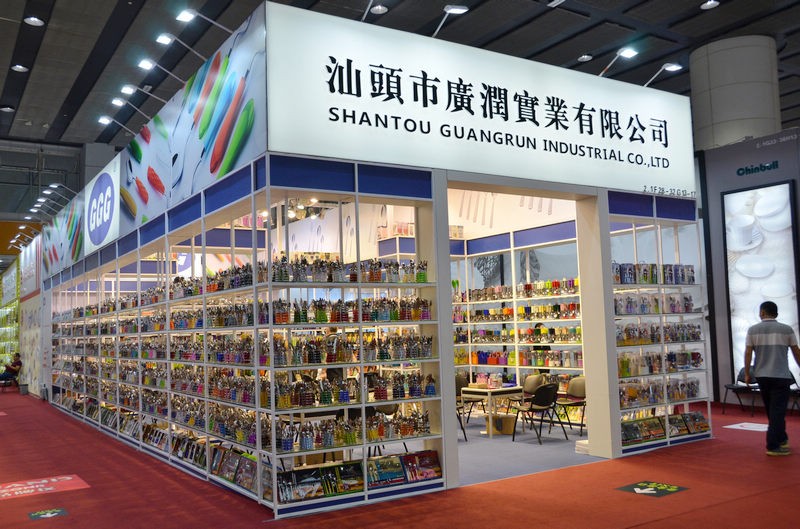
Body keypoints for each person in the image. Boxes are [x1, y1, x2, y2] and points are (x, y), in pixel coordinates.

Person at [744, 301, 800, 456]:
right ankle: (773, 445)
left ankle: (782, 438)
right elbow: (796, 351)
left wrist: (747, 373)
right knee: (777, 411)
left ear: (762, 312)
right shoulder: (786, 329)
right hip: (781, 375)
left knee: (772, 410)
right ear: (776, 313)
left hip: (762, 376)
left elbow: (748, 353)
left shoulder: (753, 330)